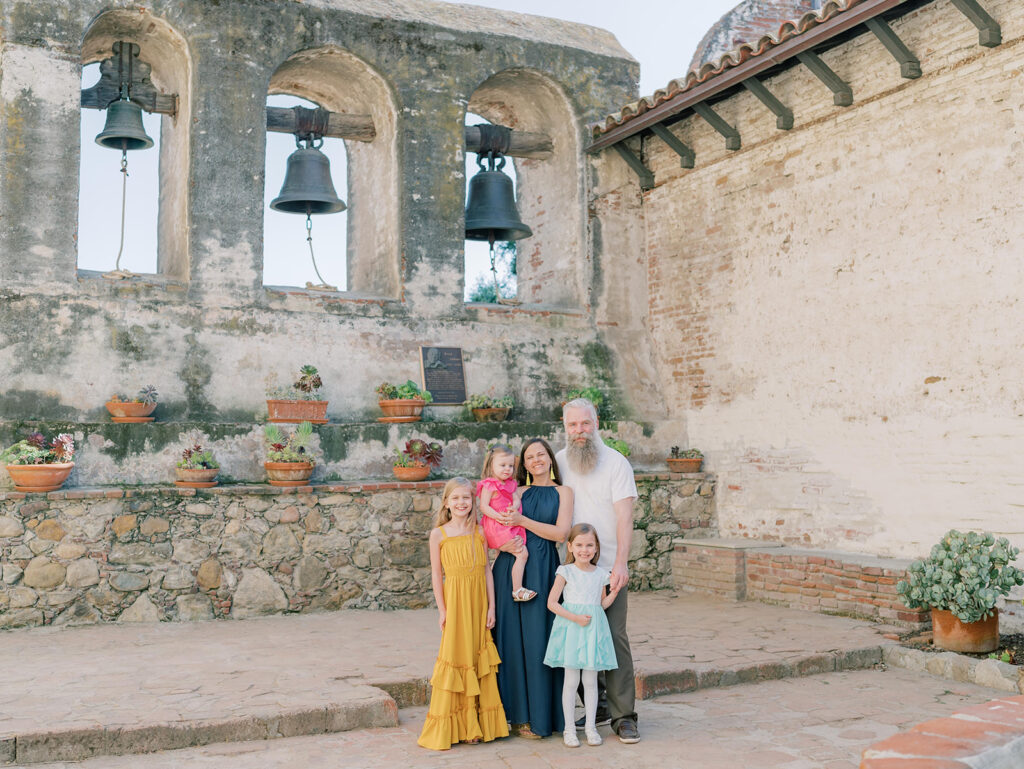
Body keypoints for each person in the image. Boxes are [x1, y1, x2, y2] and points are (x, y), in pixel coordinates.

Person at [555, 398, 641, 744]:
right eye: (573, 425)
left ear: (596, 422)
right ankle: (598, 704)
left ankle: (624, 717)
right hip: (571, 573)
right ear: (565, 427)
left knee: (614, 637)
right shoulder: (559, 462)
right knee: (575, 641)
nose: (579, 431)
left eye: (585, 424)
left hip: (605, 571)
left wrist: (620, 563)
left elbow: (625, 517)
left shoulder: (616, 464)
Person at [417, 477, 509, 750]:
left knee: (477, 656)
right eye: (455, 498)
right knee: (455, 656)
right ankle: (454, 726)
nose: (461, 503)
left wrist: (491, 607)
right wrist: (442, 609)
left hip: (479, 600)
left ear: (473, 502)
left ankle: (477, 727)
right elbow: (436, 574)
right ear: (446, 502)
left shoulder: (479, 532)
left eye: (466, 498)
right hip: (456, 602)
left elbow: (486, 571)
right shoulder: (439, 535)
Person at [491, 438, 573, 739]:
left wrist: (523, 519)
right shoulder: (516, 490)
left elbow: (561, 534)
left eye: (541, 454)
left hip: (545, 568)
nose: (536, 460)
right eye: (529, 457)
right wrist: (503, 541)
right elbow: (495, 523)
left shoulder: (564, 492)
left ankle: (543, 716)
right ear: (523, 465)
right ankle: (516, 716)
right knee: (512, 641)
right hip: (512, 566)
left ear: (550, 458)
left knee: (541, 639)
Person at [544, 523, 620, 748]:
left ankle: (591, 728)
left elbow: (601, 603)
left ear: (596, 549)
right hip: (572, 629)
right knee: (571, 680)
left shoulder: (601, 574)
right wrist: (574, 618)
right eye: (579, 545)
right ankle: (569, 729)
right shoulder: (565, 571)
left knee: (590, 681)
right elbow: (551, 603)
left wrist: (614, 590)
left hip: (592, 631)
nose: (584, 550)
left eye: (589, 545)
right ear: (570, 546)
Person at [477, 444, 535, 602]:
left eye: (510, 465)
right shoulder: (489, 484)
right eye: (502, 465)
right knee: (522, 553)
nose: (507, 469)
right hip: (496, 525)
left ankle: (494, 586)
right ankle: (517, 589)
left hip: (508, 523)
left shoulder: (511, 483)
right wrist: (498, 517)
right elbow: (483, 506)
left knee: (499, 556)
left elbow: (516, 499)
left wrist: (515, 507)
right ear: (491, 465)